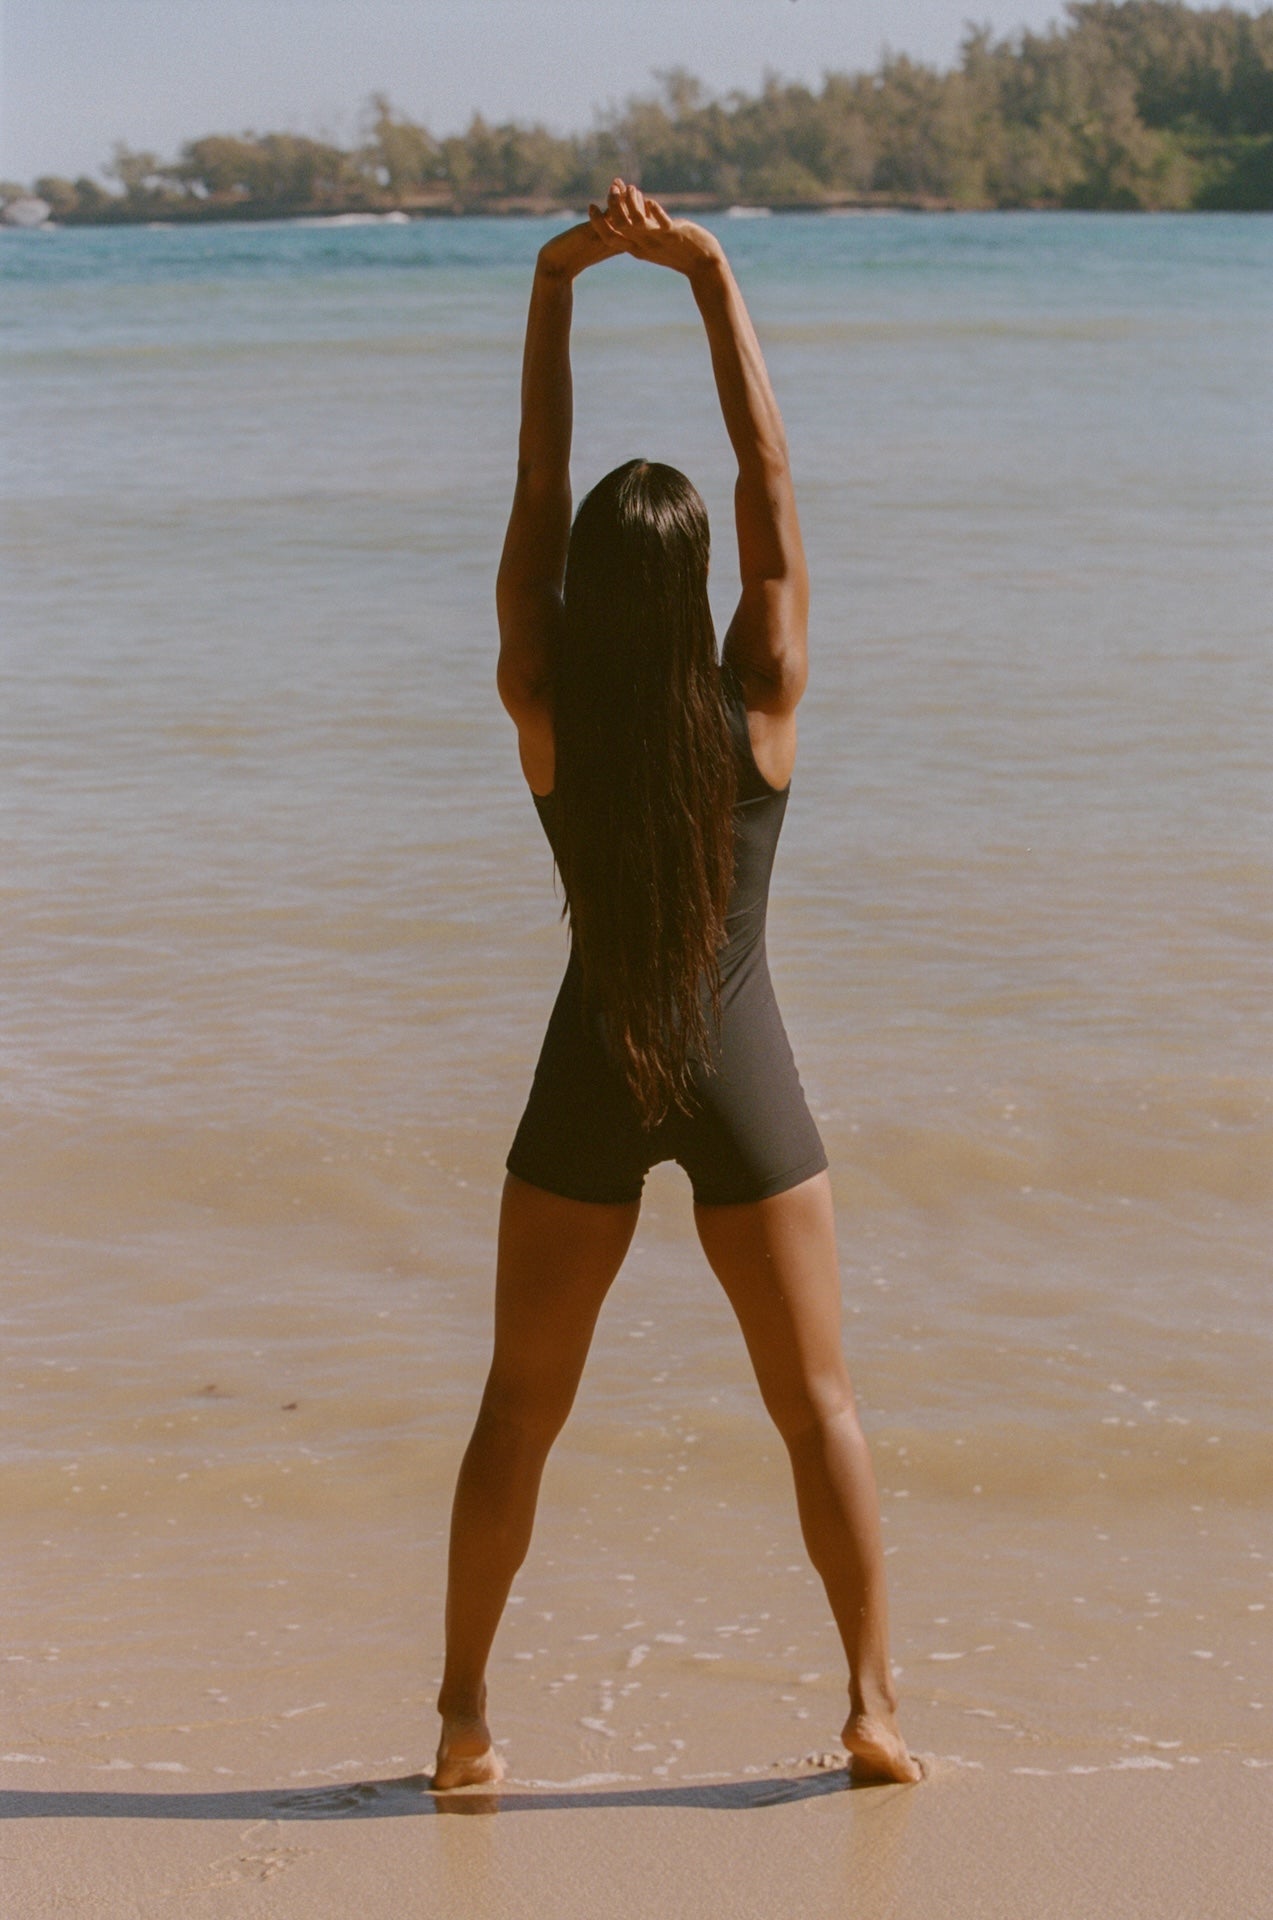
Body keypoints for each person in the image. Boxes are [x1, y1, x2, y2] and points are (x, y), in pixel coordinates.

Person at [434, 181, 920, 1790]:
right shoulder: (763, 692)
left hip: (592, 1067)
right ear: (704, 576)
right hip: (737, 1068)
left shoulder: (541, 688)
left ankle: (461, 1725)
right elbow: (771, 476)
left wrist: (554, 287)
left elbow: (531, 481)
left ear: (582, 585)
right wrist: (709, 271)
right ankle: (868, 1707)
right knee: (818, 1408)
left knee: (517, 1408)